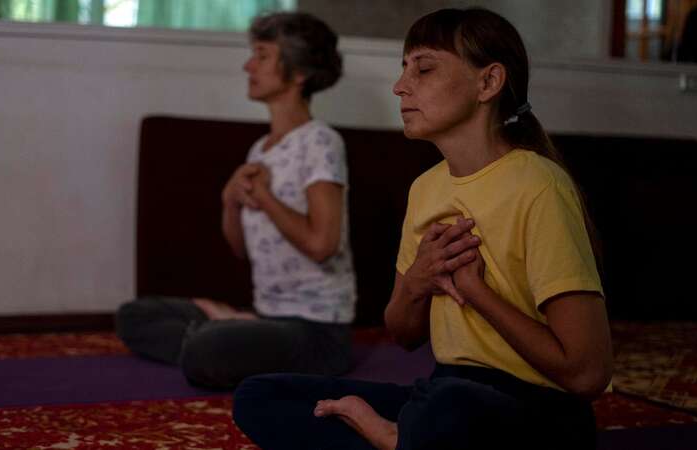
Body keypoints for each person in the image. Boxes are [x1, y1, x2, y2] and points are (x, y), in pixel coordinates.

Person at [233, 8, 613, 450]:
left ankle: (397, 437)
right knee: (258, 395)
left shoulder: (538, 185)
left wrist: (477, 293)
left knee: (450, 408)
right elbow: (404, 334)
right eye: (403, 68)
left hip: (533, 410)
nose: (400, 86)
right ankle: (401, 437)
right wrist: (418, 281)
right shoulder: (426, 188)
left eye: (424, 68)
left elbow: (588, 373)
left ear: (488, 83)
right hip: (442, 391)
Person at [116, 12, 356, 390]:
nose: (248, 65)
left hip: (318, 333)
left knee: (206, 351)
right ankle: (229, 326)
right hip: (266, 316)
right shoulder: (259, 149)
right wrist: (229, 200)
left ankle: (221, 331)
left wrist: (265, 196)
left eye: (261, 56)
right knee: (133, 315)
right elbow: (241, 249)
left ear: (297, 73)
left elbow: (322, 245)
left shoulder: (321, 141)